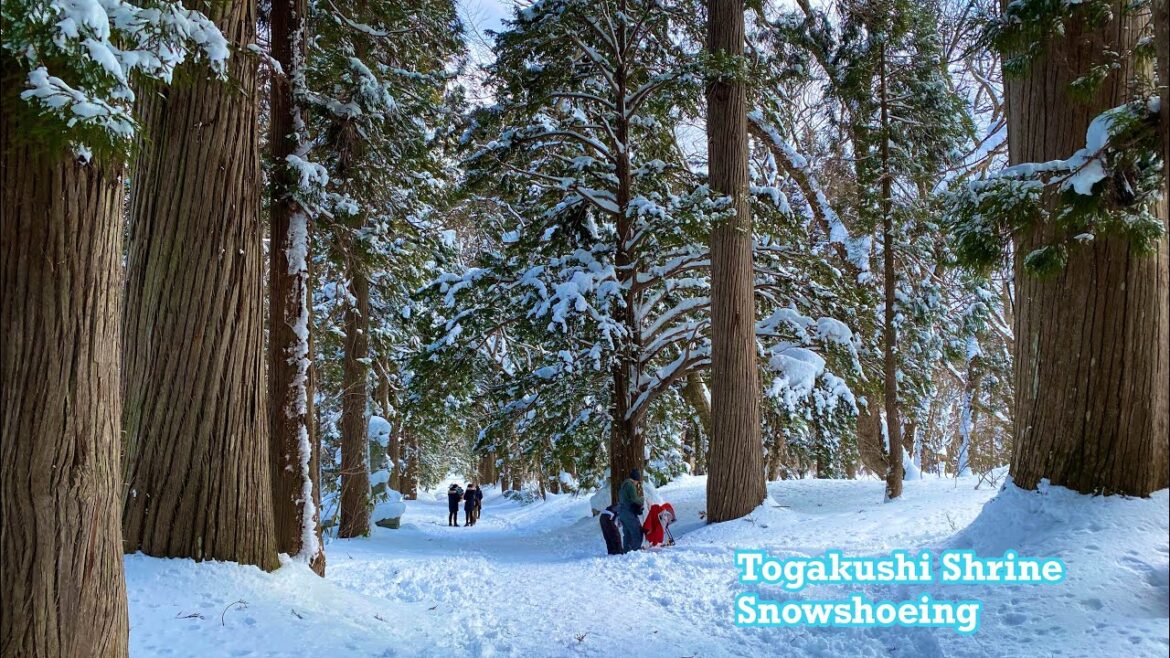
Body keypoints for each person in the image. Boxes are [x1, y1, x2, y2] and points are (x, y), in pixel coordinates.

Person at [617, 468, 644, 553]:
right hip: (628, 512)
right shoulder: (631, 485)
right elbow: (634, 499)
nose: (637, 483)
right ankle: (636, 550)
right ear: (636, 479)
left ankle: (627, 550)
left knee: (627, 532)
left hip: (622, 512)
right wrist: (642, 500)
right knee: (637, 531)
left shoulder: (624, 484)